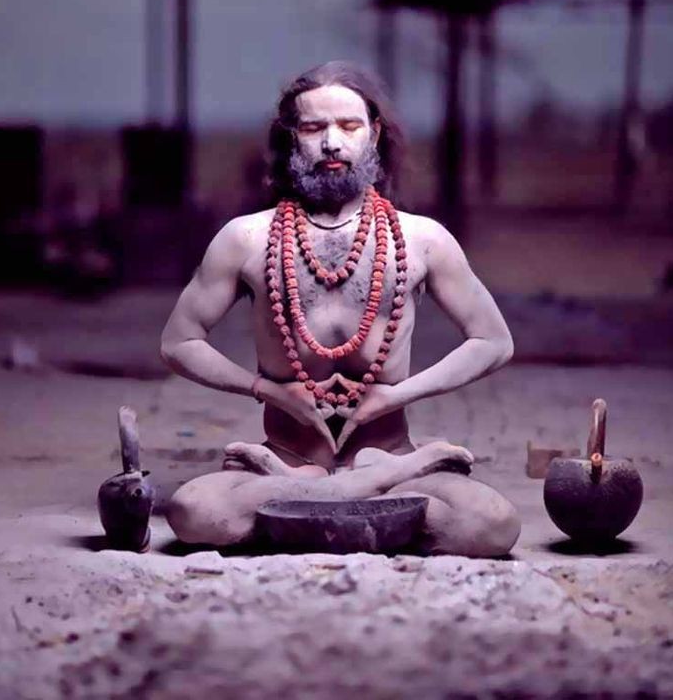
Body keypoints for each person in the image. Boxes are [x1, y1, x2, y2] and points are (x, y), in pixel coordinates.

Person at [161, 61, 520, 557]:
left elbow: (494, 342)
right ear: (292, 138)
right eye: (314, 128)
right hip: (291, 456)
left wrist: (393, 397)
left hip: (385, 454)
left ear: (374, 134)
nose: (332, 142)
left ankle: (311, 497)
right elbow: (178, 342)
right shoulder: (245, 238)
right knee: (192, 512)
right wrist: (269, 390)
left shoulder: (422, 239)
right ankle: (366, 493)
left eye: (349, 126)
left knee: (494, 524)